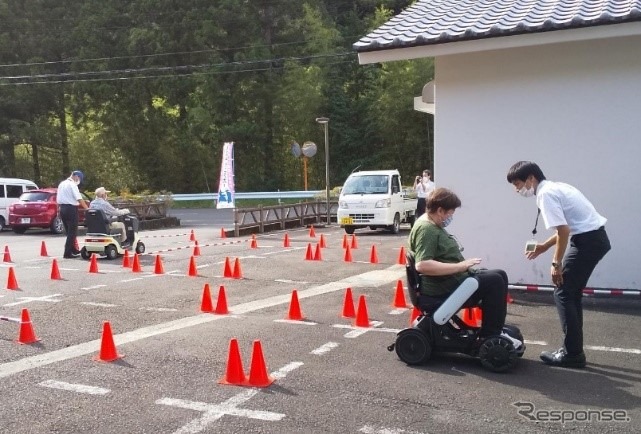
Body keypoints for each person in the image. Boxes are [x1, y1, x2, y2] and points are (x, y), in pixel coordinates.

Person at [507, 161, 610, 368]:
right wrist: (544, 247)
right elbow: (567, 227)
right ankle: (573, 350)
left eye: (517, 184)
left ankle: (572, 353)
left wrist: (556, 263)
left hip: (587, 242)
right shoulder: (558, 186)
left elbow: (564, 230)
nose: (517, 189)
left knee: (562, 292)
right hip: (594, 239)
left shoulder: (545, 194)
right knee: (571, 293)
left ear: (531, 178)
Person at [408, 187, 521, 348]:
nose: (450, 217)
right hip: (441, 289)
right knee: (495, 281)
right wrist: (461, 266)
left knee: (499, 275)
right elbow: (422, 265)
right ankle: (491, 334)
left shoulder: (431, 224)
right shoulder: (428, 230)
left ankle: (494, 328)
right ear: (440, 210)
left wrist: (463, 267)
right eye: (450, 213)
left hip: (449, 282)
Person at [56, 170, 88, 258]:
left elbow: (58, 198)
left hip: (62, 208)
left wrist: (58, 211)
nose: (79, 181)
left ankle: (73, 249)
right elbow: (79, 198)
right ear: (76, 176)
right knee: (72, 232)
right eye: (79, 179)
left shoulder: (62, 184)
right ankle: (67, 252)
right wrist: (87, 208)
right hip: (71, 209)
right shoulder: (72, 185)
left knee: (68, 231)